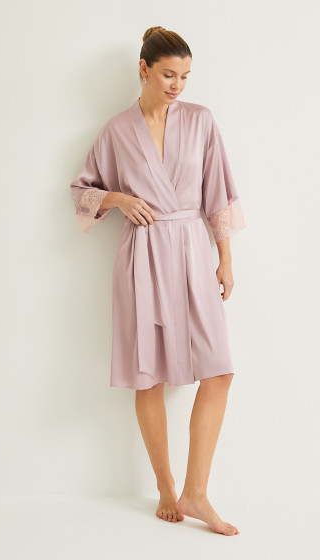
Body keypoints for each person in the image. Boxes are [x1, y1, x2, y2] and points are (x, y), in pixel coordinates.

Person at [70, 26, 245, 536]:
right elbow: (81, 190)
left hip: (193, 248)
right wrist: (118, 199)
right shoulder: (116, 131)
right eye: (169, 75)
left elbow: (218, 191)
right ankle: (167, 489)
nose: (178, 85)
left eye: (185, 76)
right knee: (148, 374)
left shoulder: (201, 121)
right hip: (142, 255)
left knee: (219, 371)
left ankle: (197, 491)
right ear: (144, 69)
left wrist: (225, 259)